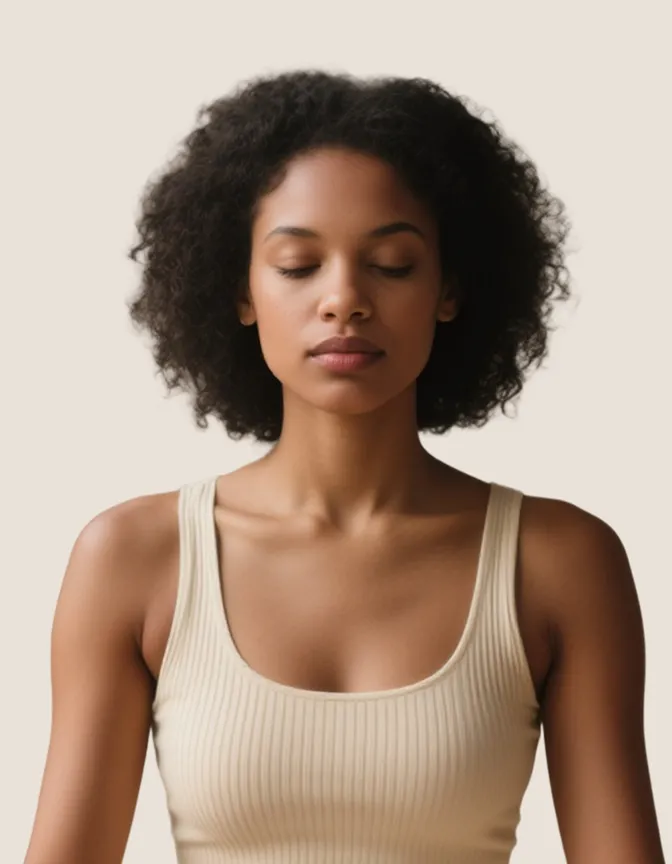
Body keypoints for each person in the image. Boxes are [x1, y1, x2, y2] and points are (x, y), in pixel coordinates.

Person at [25, 70, 665, 864]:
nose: (345, 300)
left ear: (450, 290)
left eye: (393, 264)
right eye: (298, 265)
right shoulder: (133, 559)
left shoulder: (560, 562)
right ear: (240, 291)